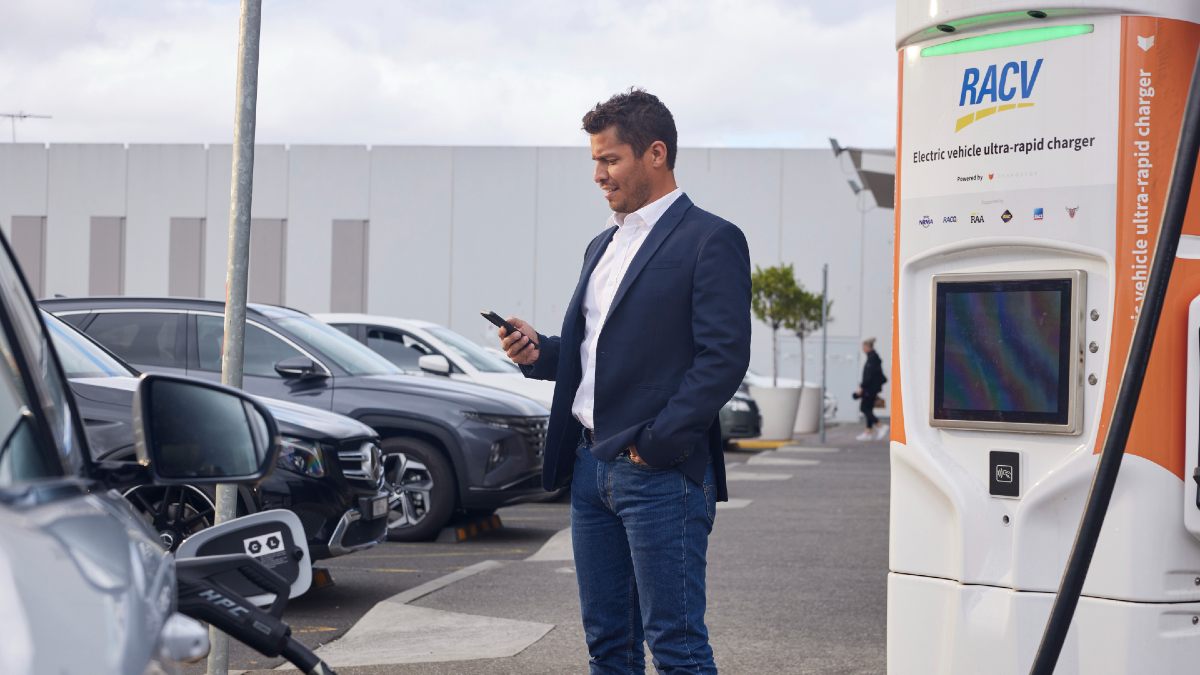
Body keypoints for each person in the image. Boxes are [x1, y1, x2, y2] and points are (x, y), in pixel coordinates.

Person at [497, 88, 750, 674]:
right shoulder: (603, 244)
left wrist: (656, 445)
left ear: (655, 154)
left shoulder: (710, 239)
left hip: (659, 475)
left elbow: (722, 358)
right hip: (590, 470)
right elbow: (595, 352)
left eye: (610, 160)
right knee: (608, 646)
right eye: (595, 161)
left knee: (677, 648)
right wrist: (538, 352)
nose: (598, 175)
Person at [855, 338, 888, 441]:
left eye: (863, 347)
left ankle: (880, 426)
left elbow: (869, 376)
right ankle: (868, 432)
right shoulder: (872, 357)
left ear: (868, 347)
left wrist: (862, 387)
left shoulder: (872, 359)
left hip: (870, 389)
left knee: (864, 408)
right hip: (871, 388)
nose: (862, 349)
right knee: (868, 409)